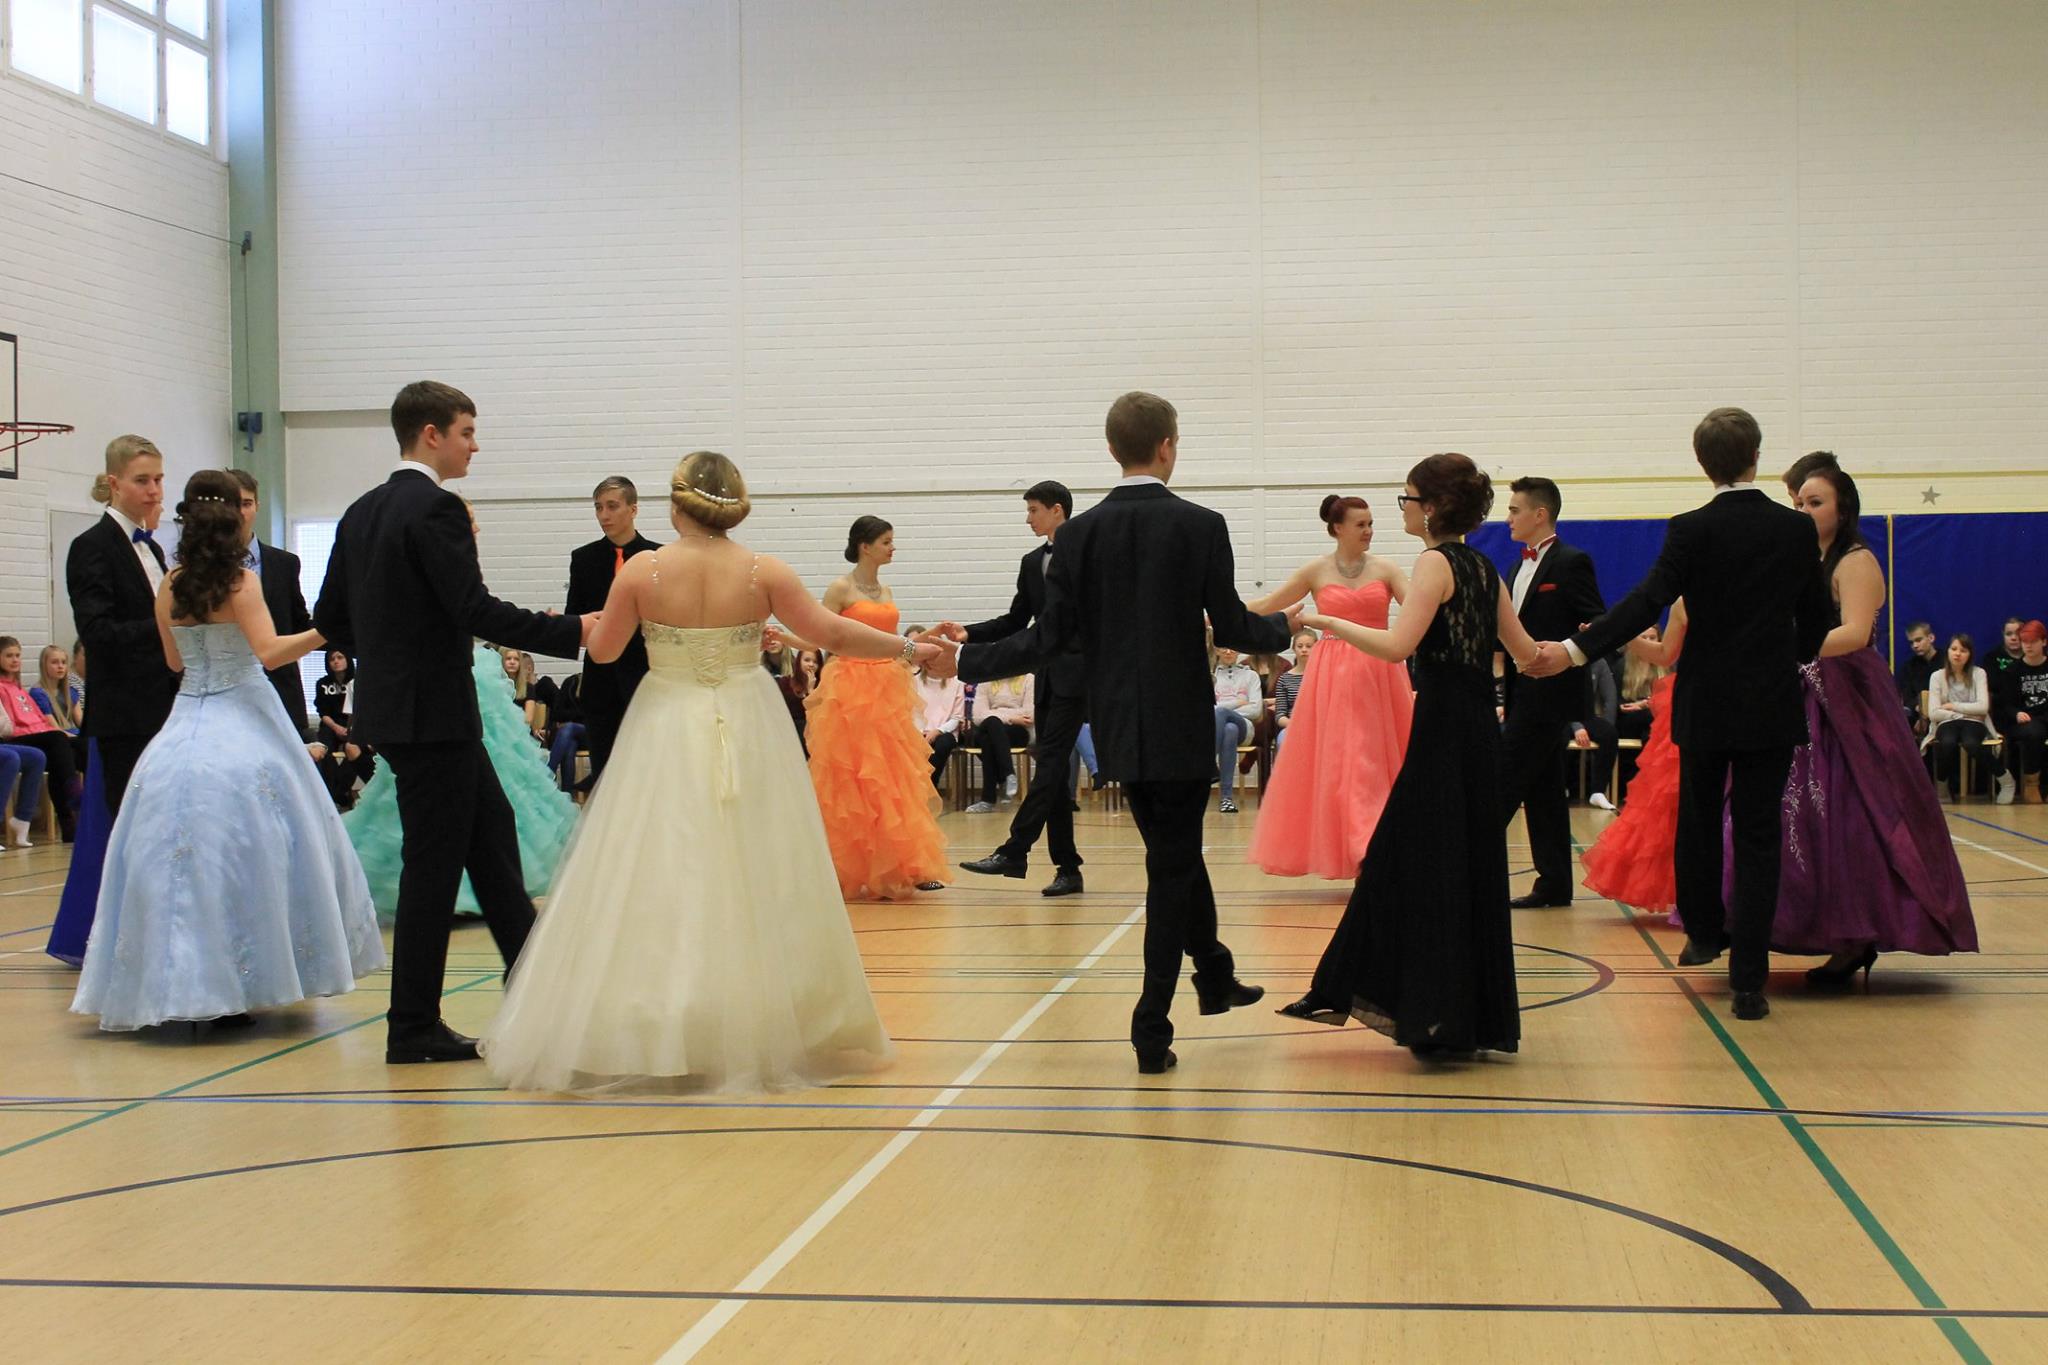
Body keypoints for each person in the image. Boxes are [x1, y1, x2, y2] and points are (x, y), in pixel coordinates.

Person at [480, 451, 940, 1094]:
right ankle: (763, 1013)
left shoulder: (642, 570)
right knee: (754, 860)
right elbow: (832, 634)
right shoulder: (763, 570)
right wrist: (912, 647)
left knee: (660, 859)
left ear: (676, 506)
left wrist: (589, 626)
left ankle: (662, 1012)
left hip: (664, 719)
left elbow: (604, 651)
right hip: (749, 722)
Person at [954, 391, 1294, 1074]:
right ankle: (1150, 1024)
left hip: (1117, 727)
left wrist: (965, 659)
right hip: (1180, 725)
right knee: (1171, 865)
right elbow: (1233, 625)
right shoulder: (1202, 524)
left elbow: (1047, 638)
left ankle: (1216, 973)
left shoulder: (1077, 535)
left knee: (1175, 854)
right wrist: (1289, 625)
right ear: (1168, 446)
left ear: (1112, 449)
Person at [314, 381, 590, 1065]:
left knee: (490, 838)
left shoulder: (361, 511)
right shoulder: (435, 507)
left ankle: (534, 986)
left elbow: (331, 617)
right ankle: (412, 1025)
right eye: (467, 431)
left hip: (400, 711)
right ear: (431, 434)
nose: (475, 445)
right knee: (433, 869)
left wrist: (391, 651)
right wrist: (574, 629)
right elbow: (473, 608)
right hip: (434, 713)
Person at [1529, 408, 1834, 1022]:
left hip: (1706, 700)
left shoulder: (1690, 528)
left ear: (1702, 463)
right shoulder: (1795, 530)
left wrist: (1574, 649)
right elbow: (1817, 620)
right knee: (1759, 836)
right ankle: (1749, 980)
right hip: (1769, 702)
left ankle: (1702, 927)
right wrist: (1788, 657)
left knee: (1697, 820)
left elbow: (1647, 601)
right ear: (1757, 456)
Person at [71, 470, 383, 1032]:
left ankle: (171, 979)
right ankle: (247, 977)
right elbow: (269, 652)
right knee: (272, 838)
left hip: (186, 716)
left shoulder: (171, 584)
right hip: (244, 711)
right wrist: (328, 630)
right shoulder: (241, 582)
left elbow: (173, 662)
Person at [1280, 453, 1539, 1061]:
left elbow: (1398, 646)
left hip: (1443, 733)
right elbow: (1527, 653)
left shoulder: (1434, 563)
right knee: (1459, 865)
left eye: (1408, 498)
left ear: (1434, 507)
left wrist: (1328, 621)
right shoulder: (1485, 568)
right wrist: (1573, 650)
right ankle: (1443, 1012)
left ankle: (1424, 1013)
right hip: (1478, 734)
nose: (1403, 508)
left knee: (1415, 863)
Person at [1767, 462, 1976, 982]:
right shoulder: (1804, 558)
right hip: (1802, 690)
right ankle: (1800, 926)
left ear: (1843, 509)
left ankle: (1856, 934)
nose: (1804, 510)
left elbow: (1856, 634)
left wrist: (1784, 645)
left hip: (1849, 698)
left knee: (1854, 813)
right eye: (1799, 503)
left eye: (1815, 502)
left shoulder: (1856, 560)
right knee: (1794, 814)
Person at [345, 635, 580, 924]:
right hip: (435, 675)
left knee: (486, 794)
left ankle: (483, 899)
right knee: (451, 803)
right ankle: (482, 901)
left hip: (453, 672)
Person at [1246, 495, 1413, 879]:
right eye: (1361, 525)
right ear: (1338, 528)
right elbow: (1270, 603)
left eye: (1370, 523)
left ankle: (1378, 845)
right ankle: (1358, 847)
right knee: (1344, 759)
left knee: (1376, 758)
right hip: (1332, 676)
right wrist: (1213, 614)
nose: (1369, 531)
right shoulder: (1316, 570)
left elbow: (1419, 608)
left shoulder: (1386, 568)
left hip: (1379, 670)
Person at [943, 483, 1090, 897]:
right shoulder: (1031, 562)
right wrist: (969, 633)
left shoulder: (1087, 553)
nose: (1028, 519)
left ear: (1057, 510)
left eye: (1033, 510)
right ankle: (1068, 868)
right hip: (1045, 677)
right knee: (1053, 769)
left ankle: (1015, 849)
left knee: (1050, 764)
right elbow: (1016, 620)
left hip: (1080, 676)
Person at [799, 516, 950, 899]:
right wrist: (784, 641)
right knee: (853, 777)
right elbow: (819, 634)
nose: (892, 547)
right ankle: (847, 866)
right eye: (886, 541)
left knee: (894, 776)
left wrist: (929, 637)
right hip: (850, 687)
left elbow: (892, 642)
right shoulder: (840, 588)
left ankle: (906, 865)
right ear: (864, 546)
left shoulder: (886, 589)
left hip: (887, 686)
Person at [1498, 476, 1605, 908]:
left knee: (1502, 786)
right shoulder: (1514, 568)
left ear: (1539, 514)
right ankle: (1555, 884)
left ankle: (1462, 877)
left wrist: (1570, 645)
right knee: (1543, 791)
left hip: (1553, 696)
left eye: (1514, 509)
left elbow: (1597, 622)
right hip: (1522, 692)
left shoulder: (1572, 561)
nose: (1508, 518)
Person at [67, 436, 177, 817]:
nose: (154, 490)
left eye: (158, 479)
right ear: (114, 483)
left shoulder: (153, 547)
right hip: (126, 713)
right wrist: (167, 625)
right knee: (133, 823)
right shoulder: (91, 546)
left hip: (167, 705)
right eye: (142, 480)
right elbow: (97, 633)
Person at [1580, 605, 1688, 915]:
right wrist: (1613, 632)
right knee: (1673, 802)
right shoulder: (1685, 600)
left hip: (1739, 703)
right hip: (1695, 704)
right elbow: (1665, 653)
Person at [565, 476, 660, 790]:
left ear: (633, 509)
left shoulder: (659, 557)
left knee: (650, 764)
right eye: (598, 508)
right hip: (600, 678)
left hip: (647, 675)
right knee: (604, 767)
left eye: (612, 506)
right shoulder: (583, 558)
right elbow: (574, 616)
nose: (604, 515)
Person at [228, 469, 316, 731]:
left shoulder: (285, 563)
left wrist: (339, 629)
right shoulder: (204, 568)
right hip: (229, 693)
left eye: (247, 503)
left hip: (280, 691)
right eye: (233, 504)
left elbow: (298, 624)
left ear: (257, 505)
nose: (240, 513)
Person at [0, 637, 78, 841]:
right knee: (56, 741)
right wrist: (49, 732)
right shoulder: (3, 688)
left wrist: (49, 731)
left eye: (17, 655)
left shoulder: (18, 688)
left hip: (36, 736)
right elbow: (9, 726)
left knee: (78, 747)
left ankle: (74, 821)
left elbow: (39, 719)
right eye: (9, 656)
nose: (15, 660)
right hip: (16, 738)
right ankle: (73, 795)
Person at [1925, 634, 1996, 800]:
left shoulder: (1979, 673)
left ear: (1970, 654)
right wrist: (1962, 713)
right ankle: (1942, 784)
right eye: (1954, 649)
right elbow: (1933, 713)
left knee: (1971, 742)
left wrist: (1953, 705)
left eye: (1963, 650)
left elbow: (1983, 707)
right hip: (1946, 721)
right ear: (1948, 652)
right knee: (1947, 742)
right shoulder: (1937, 676)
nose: (1957, 654)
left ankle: (2004, 777)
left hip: (1974, 722)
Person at [962, 673, 1034, 814]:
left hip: (1017, 731)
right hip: (993, 726)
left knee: (988, 739)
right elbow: (978, 715)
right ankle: (1008, 774)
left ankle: (988, 799)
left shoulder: (1029, 679)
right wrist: (1012, 717)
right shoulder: (986, 680)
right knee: (992, 724)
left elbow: (1030, 714)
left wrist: (998, 714)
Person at [1995, 621, 2048, 803]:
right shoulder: (2013, 671)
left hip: (2045, 717)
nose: (2028, 646)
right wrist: (2016, 714)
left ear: (2044, 642)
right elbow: (2006, 705)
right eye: (2025, 642)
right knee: (2035, 733)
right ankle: (2032, 784)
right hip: (2024, 721)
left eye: (2033, 642)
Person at [1209, 646, 1261, 814]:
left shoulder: (1250, 675)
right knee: (1229, 730)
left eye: (1232, 648)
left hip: (1245, 727)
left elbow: (1255, 710)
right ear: (1216, 650)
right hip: (1218, 729)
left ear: (1238, 650)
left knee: (1222, 713)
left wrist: (1224, 710)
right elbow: (1206, 709)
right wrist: (1237, 703)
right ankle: (1226, 798)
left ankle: (1209, 763)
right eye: (1223, 648)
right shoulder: (1210, 676)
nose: (1228, 652)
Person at [913, 648, 966, 792]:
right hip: (918, 731)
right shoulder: (914, 681)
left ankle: (930, 784)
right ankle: (918, 787)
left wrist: (937, 731)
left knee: (943, 744)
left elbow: (957, 717)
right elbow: (911, 712)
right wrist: (921, 731)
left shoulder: (957, 683)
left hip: (945, 732)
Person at [1269, 629, 1315, 758]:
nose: (1304, 650)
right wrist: (1295, 725)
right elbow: (1280, 715)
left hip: (1318, 727)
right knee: (1283, 739)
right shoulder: (1284, 679)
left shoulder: (1324, 675)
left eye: (1309, 646)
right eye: (1300, 646)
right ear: (1294, 649)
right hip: (1292, 726)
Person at [1897, 621, 1940, 739]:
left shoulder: (1946, 662)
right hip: (1916, 713)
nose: (1915, 646)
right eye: (1911, 642)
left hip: (1943, 713)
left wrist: (1926, 716)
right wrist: (1921, 712)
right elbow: (1907, 695)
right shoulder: (1909, 667)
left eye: (1918, 640)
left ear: (1931, 638)